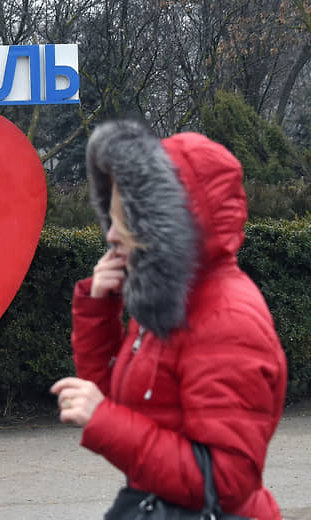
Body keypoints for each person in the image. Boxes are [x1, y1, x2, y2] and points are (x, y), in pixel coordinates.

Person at [50, 119, 287, 519]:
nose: (111, 235)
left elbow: (226, 482)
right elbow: (126, 406)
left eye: (127, 219)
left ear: (169, 226)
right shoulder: (174, 299)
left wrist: (103, 420)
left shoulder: (226, 322)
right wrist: (99, 309)